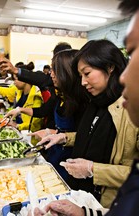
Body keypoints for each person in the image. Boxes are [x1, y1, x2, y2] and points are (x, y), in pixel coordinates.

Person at [31, 1, 139, 215]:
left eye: (87, 74)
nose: (82, 82)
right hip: (84, 196)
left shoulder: (129, 108)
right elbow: (88, 134)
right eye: (80, 76)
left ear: (110, 67)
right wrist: (63, 137)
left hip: (107, 200)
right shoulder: (96, 102)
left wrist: (92, 170)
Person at [5, 50, 88, 180]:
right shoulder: (59, 96)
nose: (51, 74)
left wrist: (56, 134)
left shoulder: (82, 102)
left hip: (72, 159)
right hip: (55, 151)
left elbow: (83, 137)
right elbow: (42, 111)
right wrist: (20, 110)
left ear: (67, 72)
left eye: (55, 70)